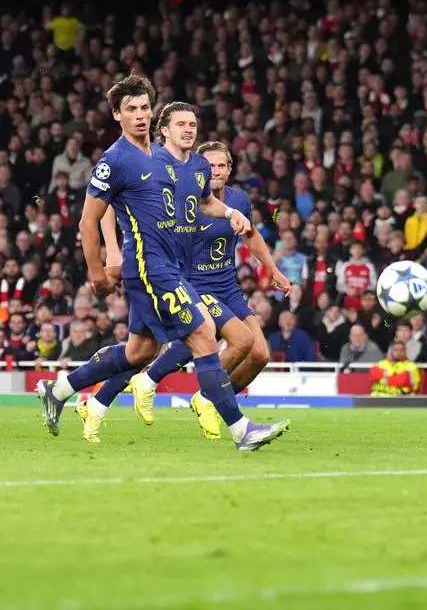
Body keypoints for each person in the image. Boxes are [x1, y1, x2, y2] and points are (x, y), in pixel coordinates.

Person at [34, 75, 289, 451]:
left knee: (139, 352)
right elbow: (89, 220)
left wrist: (230, 213)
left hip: (171, 265)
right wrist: (98, 268)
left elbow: (203, 202)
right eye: (131, 109)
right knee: (203, 334)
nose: (139, 115)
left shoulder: (166, 159)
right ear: (117, 115)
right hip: (151, 266)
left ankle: (59, 390)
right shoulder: (115, 160)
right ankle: (241, 430)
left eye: (144, 108)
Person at [108, 134, 290, 440]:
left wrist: (273, 270)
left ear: (230, 170)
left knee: (260, 355)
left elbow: (252, 235)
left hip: (228, 286)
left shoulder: (238, 201)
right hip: (196, 283)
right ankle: (200, 397)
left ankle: (203, 395)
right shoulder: (185, 198)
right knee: (237, 341)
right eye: (211, 166)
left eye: (222, 166)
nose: (216, 171)